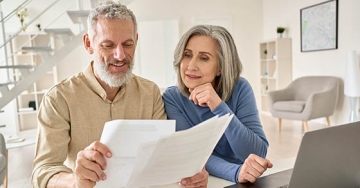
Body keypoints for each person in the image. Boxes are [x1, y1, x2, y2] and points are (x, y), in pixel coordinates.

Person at [31, 2, 207, 188]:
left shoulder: (150, 93)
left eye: (128, 44)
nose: (120, 55)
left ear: (136, 41)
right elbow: (43, 172)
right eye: (108, 45)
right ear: (88, 44)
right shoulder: (59, 98)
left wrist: (191, 173)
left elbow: (164, 157)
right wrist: (75, 181)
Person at [162, 25, 273, 183]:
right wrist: (236, 172)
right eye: (187, 55)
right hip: (207, 179)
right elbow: (193, 153)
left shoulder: (240, 88)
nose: (191, 66)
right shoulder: (173, 98)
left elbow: (257, 153)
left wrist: (220, 108)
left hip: (241, 179)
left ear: (220, 67)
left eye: (204, 58)